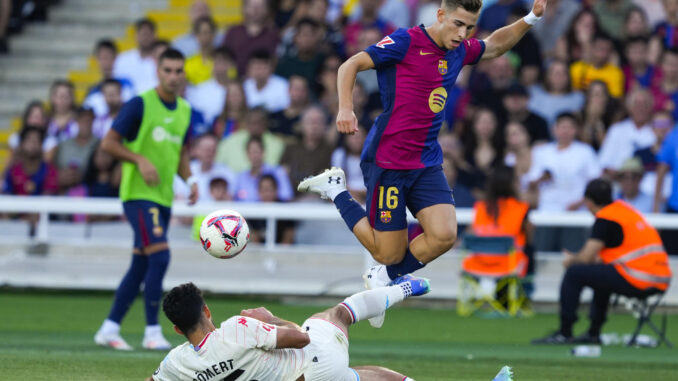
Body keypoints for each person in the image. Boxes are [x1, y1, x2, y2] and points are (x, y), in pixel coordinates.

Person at [299, 0, 549, 328]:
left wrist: (531, 18)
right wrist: (345, 108)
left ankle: (385, 275)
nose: (463, 34)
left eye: (469, 27)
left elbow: (493, 46)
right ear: (440, 15)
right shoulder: (405, 41)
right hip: (388, 159)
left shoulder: (459, 49)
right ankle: (337, 192)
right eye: (458, 24)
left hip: (426, 161)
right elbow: (350, 65)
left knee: (445, 235)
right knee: (387, 250)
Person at [94, 48, 198, 351]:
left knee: (141, 266)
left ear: (184, 73)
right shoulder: (140, 104)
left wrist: (189, 179)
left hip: (163, 198)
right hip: (138, 195)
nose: (173, 76)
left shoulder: (184, 110)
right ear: (158, 71)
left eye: (179, 71)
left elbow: (180, 151)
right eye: (168, 70)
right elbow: (109, 143)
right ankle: (153, 331)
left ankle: (109, 327)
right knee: (161, 257)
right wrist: (139, 159)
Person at [148, 280, 429, 381]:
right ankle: (398, 288)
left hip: (305, 379)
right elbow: (300, 338)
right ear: (207, 311)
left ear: (176, 328)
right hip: (312, 365)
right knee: (337, 314)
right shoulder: (235, 329)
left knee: (353, 377)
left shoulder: (177, 363)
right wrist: (272, 318)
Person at [532, 179, 671, 344]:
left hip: (639, 278)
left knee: (574, 273)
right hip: (660, 278)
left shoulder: (606, 218)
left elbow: (585, 258)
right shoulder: (625, 211)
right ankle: (593, 333)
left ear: (588, 202)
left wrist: (571, 260)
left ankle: (565, 331)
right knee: (601, 273)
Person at [83, 39, 134, 117]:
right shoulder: (92, 92)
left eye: (107, 57)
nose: (105, 62)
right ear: (97, 60)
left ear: (115, 58)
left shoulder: (127, 85)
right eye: (101, 58)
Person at [113, 18, 158, 94]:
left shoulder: (161, 61)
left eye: (148, 34)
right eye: (142, 34)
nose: (145, 38)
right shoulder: (122, 59)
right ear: (135, 36)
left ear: (155, 36)